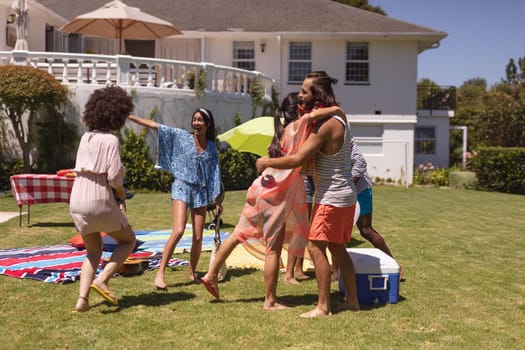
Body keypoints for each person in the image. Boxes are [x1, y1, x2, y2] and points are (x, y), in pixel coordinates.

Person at [201, 93, 343, 310]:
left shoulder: (280, 132)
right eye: (305, 105)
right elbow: (317, 116)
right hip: (275, 195)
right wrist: (338, 111)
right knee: (273, 250)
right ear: (299, 111)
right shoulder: (299, 127)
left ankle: (211, 274)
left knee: (239, 233)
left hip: (260, 188)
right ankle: (270, 301)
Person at [256, 71, 360, 317]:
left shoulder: (326, 125)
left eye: (304, 91)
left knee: (314, 247)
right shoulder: (337, 118)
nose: (300, 95)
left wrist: (267, 162)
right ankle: (353, 301)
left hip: (332, 196)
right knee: (337, 248)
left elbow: (299, 159)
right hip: (344, 195)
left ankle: (323, 306)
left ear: (317, 95)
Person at [127, 108, 222, 289]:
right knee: (178, 230)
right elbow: (157, 127)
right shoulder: (182, 137)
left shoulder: (211, 146)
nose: (196, 123)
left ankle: (192, 272)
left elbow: (215, 174)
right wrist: (132, 117)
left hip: (200, 191)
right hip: (181, 186)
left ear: (208, 124)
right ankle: (160, 274)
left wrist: (218, 202)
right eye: (194, 119)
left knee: (198, 236)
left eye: (200, 120)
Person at [70, 86, 137, 312]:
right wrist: (121, 195)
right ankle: (103, 279)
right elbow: (114, 177)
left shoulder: (85, 138)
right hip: (99, 197)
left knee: (93, 251)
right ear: (118, 114)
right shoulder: (111, 141)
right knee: (128, 240)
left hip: (77, 197)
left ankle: (82, 300)